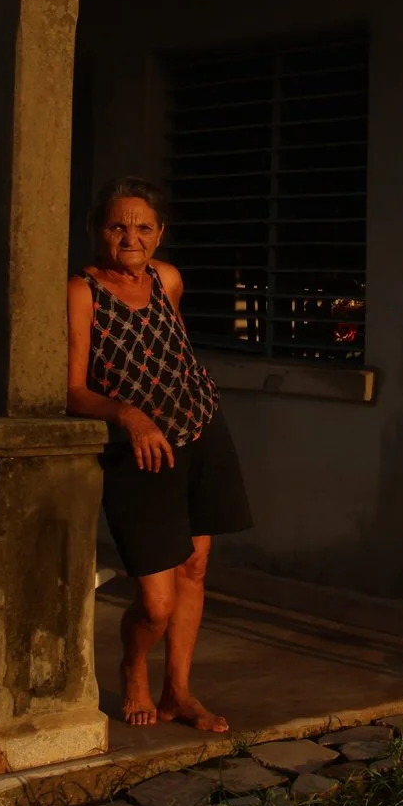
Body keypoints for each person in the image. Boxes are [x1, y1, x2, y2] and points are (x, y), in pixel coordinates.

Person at [68, 177, 253, 733]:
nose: (131, 237)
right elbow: (72, 388)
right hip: (140, 451)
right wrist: (128, 414)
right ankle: (133, 670)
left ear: (160, 234)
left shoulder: (167, 280)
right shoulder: (82, 291)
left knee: (195, 567)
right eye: (118, 226)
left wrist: (177, 408)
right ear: (98, 231)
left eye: (143, 227)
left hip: (201, 431)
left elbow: (173, 353)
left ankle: (178, 692)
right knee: (156, 602)